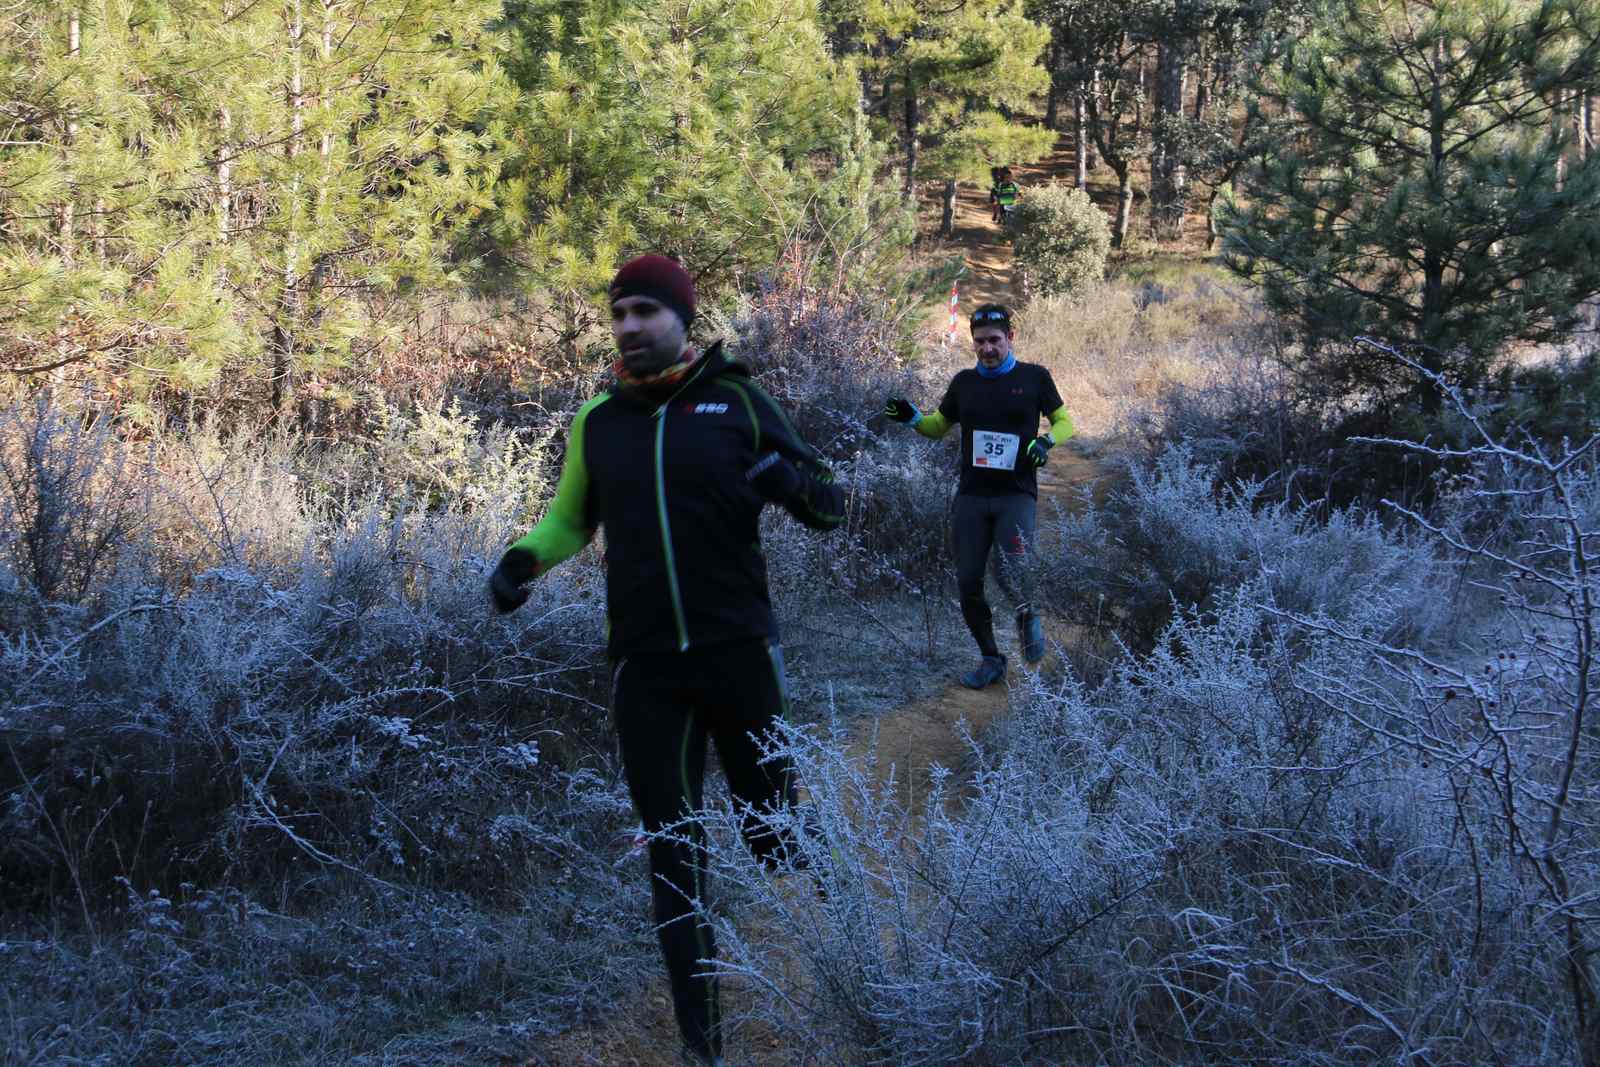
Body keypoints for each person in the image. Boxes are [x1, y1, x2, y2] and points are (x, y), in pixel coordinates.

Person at [487, 254, 845, 1067]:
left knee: (775, 832)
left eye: (645, 311)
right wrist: (521, 562)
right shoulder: (599, 421)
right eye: (618, 314)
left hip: (738, 656)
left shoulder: (738, 400)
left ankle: (861, 938)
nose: (629, 327)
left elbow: (830, 503)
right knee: (674, 855)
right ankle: (701, 1048)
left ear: (683, 316)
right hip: (646, 669)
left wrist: (785, 479)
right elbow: (569, 521)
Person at [882, 303, 1072, 689]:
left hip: (1015, 494)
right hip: (971, 496)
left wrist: (1047, 441)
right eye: (980, 342)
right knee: (968, 581)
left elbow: (1066, 422)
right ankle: (990, 658)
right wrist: (913, 417)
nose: (987, 349)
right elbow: (938, 426)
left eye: (994, 341)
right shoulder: (963, 383)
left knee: (1012, 570)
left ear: (1010, 338)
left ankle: (1026, 614)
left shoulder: (1035, 378)